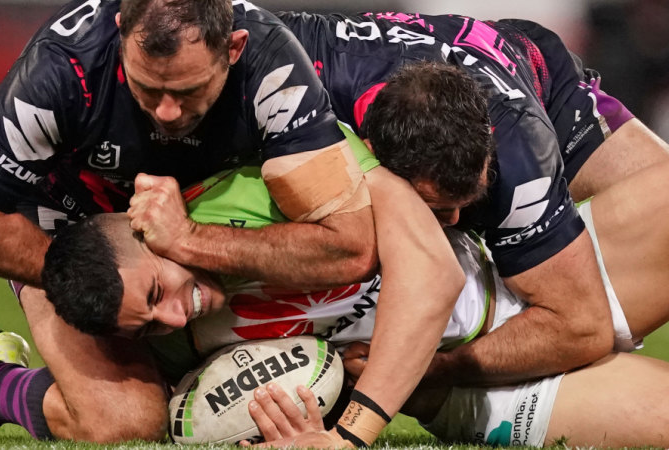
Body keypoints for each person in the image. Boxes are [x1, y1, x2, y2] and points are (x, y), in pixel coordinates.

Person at [0, 149, 669, 447]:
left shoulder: (259, 183)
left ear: (152, 220)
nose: (179, 313)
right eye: (153, 316)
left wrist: (354, 430)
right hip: (479, 388)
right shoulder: (163, 332)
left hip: (504, 273)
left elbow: (428, 267)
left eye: (165, 288)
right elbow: (177, 413)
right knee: (120, 422)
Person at [277, 11, 669, 388]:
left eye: (467, 203)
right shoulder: (292, 71)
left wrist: (437, 370)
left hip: (544, 88)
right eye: (439, 208)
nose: (455, 221)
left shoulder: (522, 151)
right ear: (370, 151)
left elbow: (581, 324)